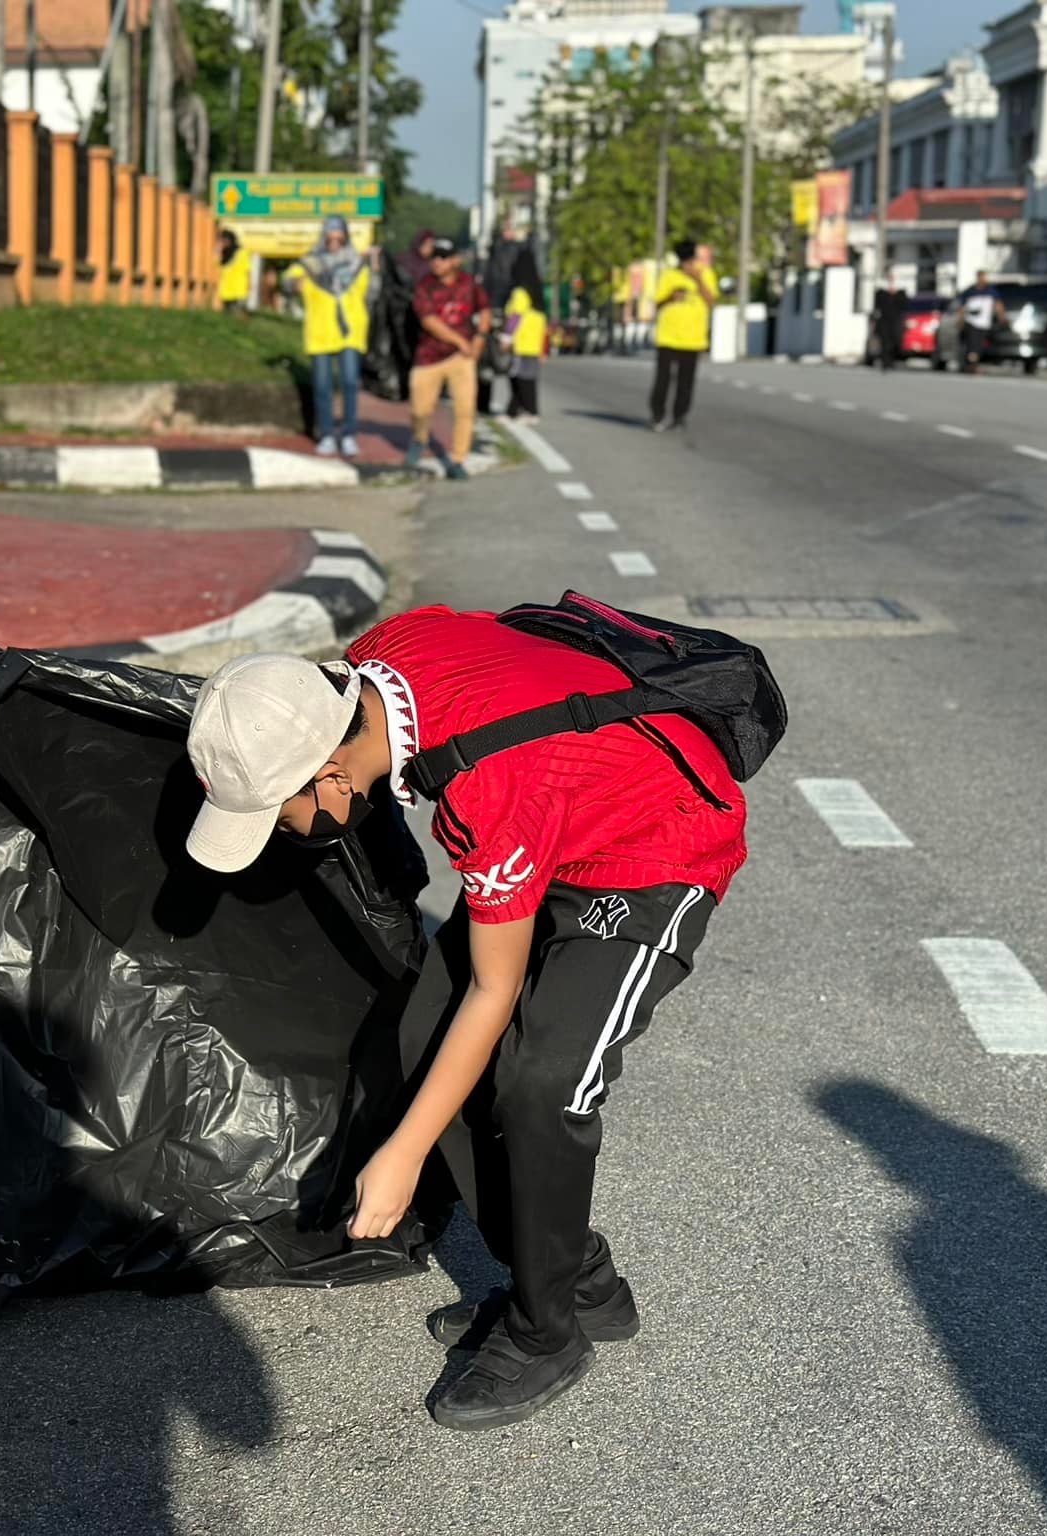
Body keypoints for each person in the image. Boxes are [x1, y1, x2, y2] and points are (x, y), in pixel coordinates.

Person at [182, 608, 748, 1430]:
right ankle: (576, 1280)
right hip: (560, 815)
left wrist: (403, 1156)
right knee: (421, 1044)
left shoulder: (486, 790)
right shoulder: (377, 656)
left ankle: (547, 1330)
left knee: (543, 1082)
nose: (279, 838)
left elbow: (493, 992)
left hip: (656, 848)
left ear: (334, 779)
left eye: (276, 817)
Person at [284, 214, 373, 458]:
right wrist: (294, 285)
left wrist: (375, 269)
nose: (334, 240)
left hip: (350, 332)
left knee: (349, 383)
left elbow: (371, 292)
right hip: (320, 331)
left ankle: (349, 435)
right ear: (323, 236)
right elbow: (287, 281)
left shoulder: (357, 264)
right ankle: (326, 435)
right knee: (322, 386)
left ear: (345, 236)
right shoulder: (309, 264)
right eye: (330, 235)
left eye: (338, 235)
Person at [405, 236, 490, 479]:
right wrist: (461, 341)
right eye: (434, 258)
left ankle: (458, 459)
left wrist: (480, 337)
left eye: (443, 258)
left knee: (465, 409)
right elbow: (429, 321)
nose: (438, 263)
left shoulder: (469, 284)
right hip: (429, 355)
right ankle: (420, 438)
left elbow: (484, 309)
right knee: (421, 409)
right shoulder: (424, 286)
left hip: (460, 359)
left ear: (455, 260)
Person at [649, 239, 716, 432]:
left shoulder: (705, 273)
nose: (688, 265)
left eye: (691, 260)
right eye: (685, 261)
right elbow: (657, 303)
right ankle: (657, 415)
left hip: (693, 339)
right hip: (668, 337)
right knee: (662, 379)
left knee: (686, 382)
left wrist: (698, 279)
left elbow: (711, 301)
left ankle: (679, 417)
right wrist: (671, 297)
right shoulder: (669, 276)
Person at [502, 247, 547, 423]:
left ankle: (529, 411)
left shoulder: (520, 292)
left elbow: (515, 315)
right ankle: (514, 411)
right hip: (533, 343)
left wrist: (507, 337)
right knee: (526, 378)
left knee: (519, 378)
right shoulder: (537, 291)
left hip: (521, 342)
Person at [958, 270, 1005, 373]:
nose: (983, 279)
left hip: (984, 323)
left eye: (984, 277)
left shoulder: (991, 291)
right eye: (981, 277)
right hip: (972, 322)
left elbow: (998, 304)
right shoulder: (970, 291)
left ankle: (972, 363)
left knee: (979, 345)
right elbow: (961, 307)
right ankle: (972, 365)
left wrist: (1002, 317)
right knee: (973, 344)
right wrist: (960, 321)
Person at [872, 283, 906, 370]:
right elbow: (877, 308)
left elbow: (903, 306)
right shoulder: (881, 294)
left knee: (894, 342)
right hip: (884, 323)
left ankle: (891, 361)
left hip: (895, 324)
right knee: (885, 343)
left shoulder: (900, 295)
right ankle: (885, 362)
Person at [215, 228, 250, 312]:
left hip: (239, 288)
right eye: (222, 240)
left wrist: (249, 284)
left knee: (239, 311)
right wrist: (218, 250)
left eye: (225, 240)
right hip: (226, 288)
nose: (224, 242)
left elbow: (247, 270)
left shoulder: (242, 252)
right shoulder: (223, 254)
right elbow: (216, 264)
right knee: (228, 313)